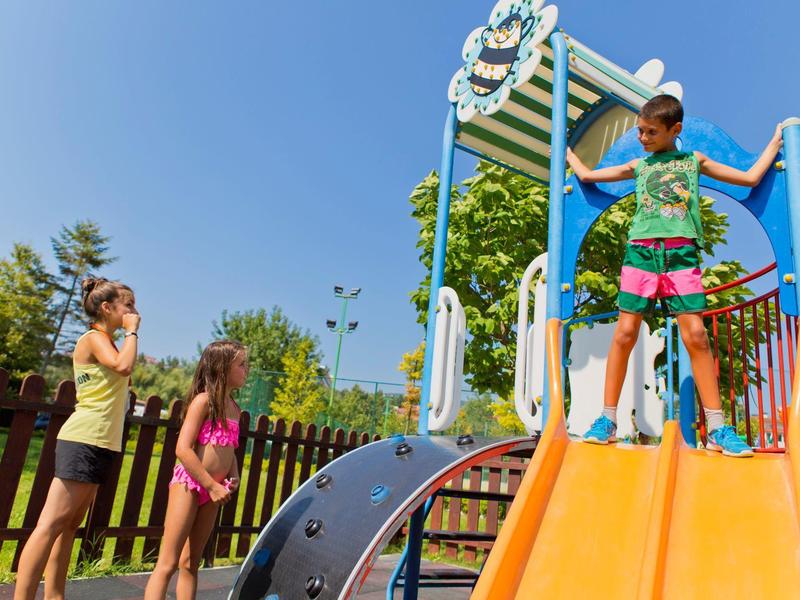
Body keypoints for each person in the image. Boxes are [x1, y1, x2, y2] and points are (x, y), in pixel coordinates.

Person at [567, 94, 783, 457]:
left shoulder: (692, 161)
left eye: (651, 132)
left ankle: (717, 427)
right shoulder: (640, 166)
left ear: (675, 130)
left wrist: (774, 143)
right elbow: (588, 176)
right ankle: (606, 420)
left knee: (696, 335)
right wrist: (568, 154)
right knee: (624, 333)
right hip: (641, 252)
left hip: (681, 254)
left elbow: (747, 179)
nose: (643, 138)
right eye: (640, 131)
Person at [15, 278, 140, 600]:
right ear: (107, 307)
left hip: (102, 441)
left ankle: (55, 595)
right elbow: (123, 367)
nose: (134, 311)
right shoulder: (94, 337)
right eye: (128, 304)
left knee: (70, 526)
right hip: (84, 437)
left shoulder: (109, 342)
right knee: (50, 524)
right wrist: (132, 331)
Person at [144, 340, 247, 600]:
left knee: (191, 562)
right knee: (168, 562)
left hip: (214, 492)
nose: (247, 370)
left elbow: (230, 448)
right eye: (241, 365)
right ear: (222, 368)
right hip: (190, 485)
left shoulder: (235, 409)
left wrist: (233, 475)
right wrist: (210, 485)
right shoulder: (204, 402)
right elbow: (183, 448)